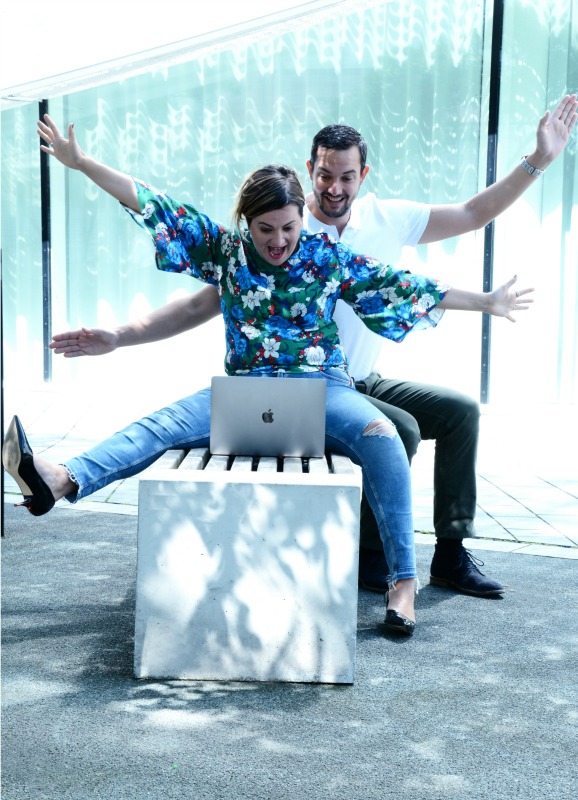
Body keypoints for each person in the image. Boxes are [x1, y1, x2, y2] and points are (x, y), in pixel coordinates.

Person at [3, 117, 533, 638]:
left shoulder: (328, 258)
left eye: (288, 227)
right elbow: (152, 203)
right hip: (245, 395)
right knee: (160, 426)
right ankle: (61, 479)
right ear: (245, 223)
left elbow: (406, 286)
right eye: (265, 229)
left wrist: (486, 301)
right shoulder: (225, 253)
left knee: (385, 436)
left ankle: (403, 582)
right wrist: (82, 163)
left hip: (323, 393)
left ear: (302, 218)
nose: (278, 240)